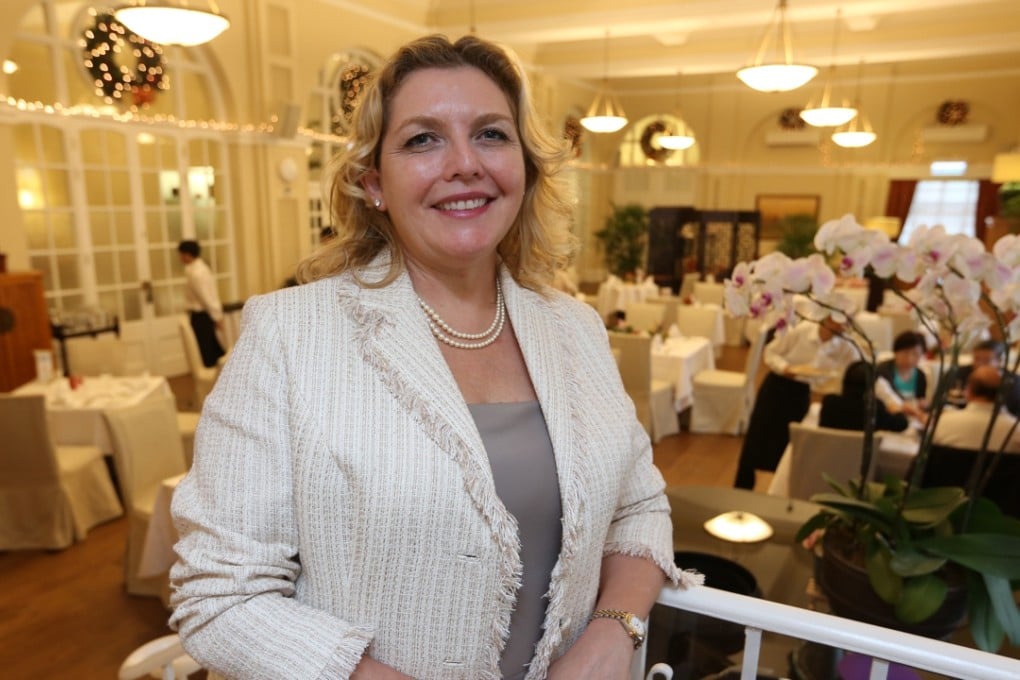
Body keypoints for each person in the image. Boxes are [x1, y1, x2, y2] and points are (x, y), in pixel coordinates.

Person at [169, 34, 697, 680]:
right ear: (374, 184)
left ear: (525, 169)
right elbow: (221, 598)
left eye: (491, 134)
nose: (465, 164)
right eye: (423, 140)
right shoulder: (290, 335)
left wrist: (614, 632)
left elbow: (640, 508)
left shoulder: (574, 328)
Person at [733, 315, 857, 489]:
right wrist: (785, 368)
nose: (842, 327)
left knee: (790, 445)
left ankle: (781, 489)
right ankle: (741, 488)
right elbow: (770, 352)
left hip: (802, 392)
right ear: (827, 319)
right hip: (777, 386)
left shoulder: (845, 344)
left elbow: (857, 367)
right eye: (839, 322)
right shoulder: (801, 330)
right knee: (756, 440)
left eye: (846, 323)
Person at [819, 360, 910, 433]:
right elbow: (902, 425)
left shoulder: (829, 403)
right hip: (863, 452)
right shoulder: (875, 409)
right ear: (871, 386)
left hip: (830, 450)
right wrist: (897, 411)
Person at [177, 240, 225, 367]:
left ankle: (216, 376)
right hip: (200, 316)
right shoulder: (192, 270)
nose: (180, 258)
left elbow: (207, 297)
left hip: (202, 316)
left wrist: (217, 316)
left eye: (181, 254)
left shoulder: (198, 273)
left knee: (208, 352)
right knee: (208, 349)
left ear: (187, 254)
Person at [955, 339, 1020, 416]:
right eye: (977, 359)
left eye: (986, 360)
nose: (980, 364)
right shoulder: (959, 374)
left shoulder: (1014, 382)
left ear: (999, 361)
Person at [874, 331, 928, 421]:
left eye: (916, 354)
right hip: (891, 418)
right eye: (906, 353)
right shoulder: (883, 371)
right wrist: (913, 404)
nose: (910, 358)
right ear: (896, 351)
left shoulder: (920, 375)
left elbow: (921, 400)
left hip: (914, 418)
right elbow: (889, 397)